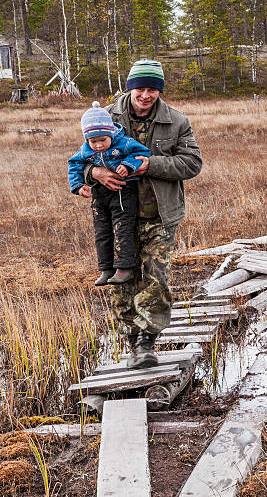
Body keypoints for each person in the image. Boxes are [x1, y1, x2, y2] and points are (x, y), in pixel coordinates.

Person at [83, 59, 202, 370]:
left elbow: (192, 163)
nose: (146, 95)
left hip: (158, 215)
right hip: (118, 214)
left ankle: (147, 342)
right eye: (140, 89)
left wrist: (152, 164)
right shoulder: (106, 117)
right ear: (129, 87)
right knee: (122, 277)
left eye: (152, 89)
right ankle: (131, 337)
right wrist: (95, 173)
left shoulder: (177, 121)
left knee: (156, 278)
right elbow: (82, 157)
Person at [68, 101, 150, 286]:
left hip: (122, 192)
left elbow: (143, 152)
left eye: (102, 141)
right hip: (99, 195)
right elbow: (74, 164)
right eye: (93, 141)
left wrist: (129, 165)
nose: (97, 146)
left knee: (122, 228)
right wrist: (78, 186)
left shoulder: (124, 142)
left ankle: (124, 268)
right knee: (102, 232)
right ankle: (106, 269)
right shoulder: (86, 149)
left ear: (111, 134)